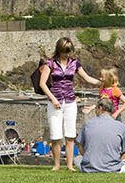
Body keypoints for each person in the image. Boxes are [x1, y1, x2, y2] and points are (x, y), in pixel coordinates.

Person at [38, 37, 101, 171]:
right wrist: (53, 99)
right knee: (55, 135)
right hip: (55, 102)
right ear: (59, 50)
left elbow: (87, 78)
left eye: (69, 51)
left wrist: (103, 83)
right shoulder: (50, 63)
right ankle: (56, 165)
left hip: (70, 101)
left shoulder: (74, 63)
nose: (67, 54)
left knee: (70, 135)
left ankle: (69, 165)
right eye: (64, 52)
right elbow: (42, 83)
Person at [76, 98, 125, 173]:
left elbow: (80, 147)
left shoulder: (88, 124)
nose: (95, 111)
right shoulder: (120, 126)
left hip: (90, 168)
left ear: (100, 108)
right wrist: (119, 159)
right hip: (113, 168)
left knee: (77, 158)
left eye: (96, 108)